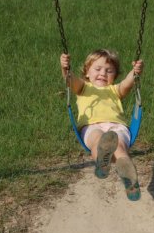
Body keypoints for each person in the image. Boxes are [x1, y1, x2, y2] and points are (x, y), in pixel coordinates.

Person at [60, 49, 144, 201]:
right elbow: (70, 79)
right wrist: (65, 68)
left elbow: (127, 83)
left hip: (117, 126)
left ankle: (128, 177)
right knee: (97, 139)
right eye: (97, 69)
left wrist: (135, 71)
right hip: (92, 126)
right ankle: (102, 162)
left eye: (109, 71)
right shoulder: (83, 88)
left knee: (118, 146)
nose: (103, 74)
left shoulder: (115, 90)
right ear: (87, 72)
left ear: (115, 75)